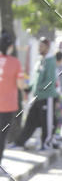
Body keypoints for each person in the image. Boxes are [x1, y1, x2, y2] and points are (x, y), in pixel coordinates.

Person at [15, 37, 58, 151]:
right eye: (39, 46)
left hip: (47, 97)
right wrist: (29, 88)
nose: (39, 48)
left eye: (41, 46)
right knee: (30, 120)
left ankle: (46, 144)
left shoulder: (50, 61)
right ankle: (20, 143)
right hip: (37, 96)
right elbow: (36, 78)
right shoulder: (40, 60)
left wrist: (38, 88)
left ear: (47, 48)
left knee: (47, 122)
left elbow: (50, 81)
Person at [0, 32, 25, 166]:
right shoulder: (15, 62)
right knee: (2, 135)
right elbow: (20, 85)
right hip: (7, 106)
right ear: (10, 47)